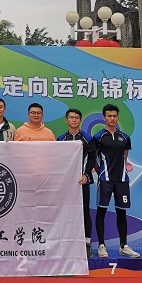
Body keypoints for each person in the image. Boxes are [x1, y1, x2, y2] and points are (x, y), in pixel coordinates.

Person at [93, 103, 139, 259]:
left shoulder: (125, 137)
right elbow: (94, 158)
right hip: (105, 179)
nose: (112, 118)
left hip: (122, 180)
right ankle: (101, 245)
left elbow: (125, 157)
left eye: (114, 116)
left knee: (121, 212)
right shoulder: (98, 137)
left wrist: (121, 171)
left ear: (117, 118)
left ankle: (123, 246)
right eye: (109, 116)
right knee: (101, 211)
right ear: (104, 118)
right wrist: (101, 172)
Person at [57, 108, 96, 257]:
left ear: (80, 120)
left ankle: (87, 244)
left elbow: (92, 159)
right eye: (71, 117)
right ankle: (64, 243)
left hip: (82, 181)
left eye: (77, 118)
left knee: (84, 211)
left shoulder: (87, 138)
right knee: (64, 211)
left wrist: (86, 174)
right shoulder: (61, 139)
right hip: (65, 183)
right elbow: (57, 159)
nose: (74, 120)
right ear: (66, 120)